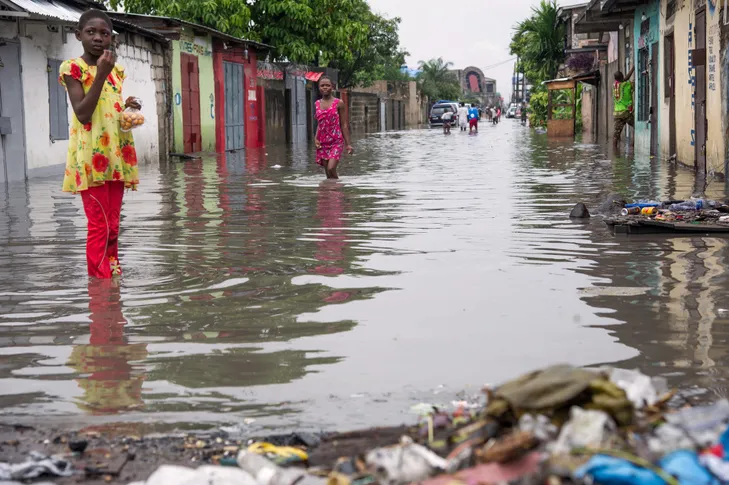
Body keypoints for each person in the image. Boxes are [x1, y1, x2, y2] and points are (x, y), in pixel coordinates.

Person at [59, 9, 140, 279]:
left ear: (111, 38)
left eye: (104, 33)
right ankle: (99, 284)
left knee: (114, 225)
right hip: (90, 159)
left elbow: (109, 107)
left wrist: (128, 106)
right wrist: (101, 74)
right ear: (78, 35)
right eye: (91, 32)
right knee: (99, 225)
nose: (98, 38)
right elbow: (83, 113)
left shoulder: (117, 70)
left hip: (116, 155)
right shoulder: (73, 69)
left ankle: (113, 278)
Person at [315, 76, 353, 179]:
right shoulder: (317, 104)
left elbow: (344, 124)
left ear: (332, 87)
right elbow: (320, 123)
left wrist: (348, 144)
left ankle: (338, 190)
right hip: (323, 142)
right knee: (327, 173)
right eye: (322, 85)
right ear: (319, 87)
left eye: (327, 85)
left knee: (331, 168)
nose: (325, 88)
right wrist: (316, 138)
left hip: (336, 141)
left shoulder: (339, 103)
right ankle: (330, 192)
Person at [613, 65, 635, 147]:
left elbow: (624, 79)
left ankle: (614, 151)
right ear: (622, 77)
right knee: (636, 126)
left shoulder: (614, 85)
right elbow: (630, 82)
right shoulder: (627, 85)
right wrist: (633, 69)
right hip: (626, 112)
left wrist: (632, 69)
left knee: (616, 134)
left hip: (617, 113)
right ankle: (632, 146)